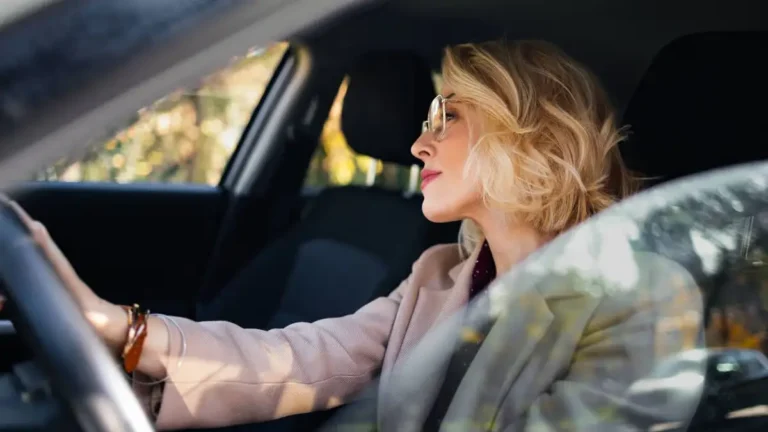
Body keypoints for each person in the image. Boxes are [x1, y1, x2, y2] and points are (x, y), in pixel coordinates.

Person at [1, 39, 704, 431]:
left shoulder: (642, 298)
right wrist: (117, 328)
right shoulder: (437, 276)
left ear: (531, 133)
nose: (419, 144)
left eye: (446, 115)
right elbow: (300, 361)